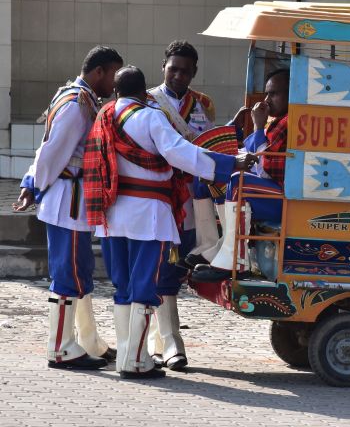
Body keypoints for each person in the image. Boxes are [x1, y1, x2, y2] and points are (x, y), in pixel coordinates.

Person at [83, 66, 252, 379]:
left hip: (111, 215)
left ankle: (127, 355)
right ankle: (136, 360)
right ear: (144, 91)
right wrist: (230, 162)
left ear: (117, 92)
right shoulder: (150, 116)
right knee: (145, 284)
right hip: (148, 214)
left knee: (122, 285)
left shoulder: (104, 116)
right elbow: (178, 152)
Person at [13, 46, 124, 370]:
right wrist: (34, 185)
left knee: (79, 271)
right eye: (113, 74)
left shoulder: (77, 97)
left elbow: (47, 149)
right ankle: (60, 348)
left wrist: (31, 182)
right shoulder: (78, 105)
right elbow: (52, 152)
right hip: (68, 202)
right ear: (99, 72)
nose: (115, 83)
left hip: (71, 200)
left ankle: (87, 340)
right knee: (68, 274)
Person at [145, 40, 217, 371]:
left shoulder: (203, 105)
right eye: (173, 68)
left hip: (191, 200)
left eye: (184, 71)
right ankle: (170, 342)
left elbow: (211, 147)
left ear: (194, 73)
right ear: (163, 66)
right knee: (161, 268)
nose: (177, 75)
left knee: (177, 267)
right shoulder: (147, 102)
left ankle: (157, 342)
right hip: (157, 197)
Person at [191, 69, 289, 282]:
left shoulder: (288, 122)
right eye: (266, 94)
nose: (266, 100)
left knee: (237, 182)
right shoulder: (277, 122)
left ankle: (234, 258)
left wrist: (258, 126)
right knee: (212, 176)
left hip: (286, 197)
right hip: (271, 190)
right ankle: (212, 248)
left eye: (274, 94)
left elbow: (264, 167)